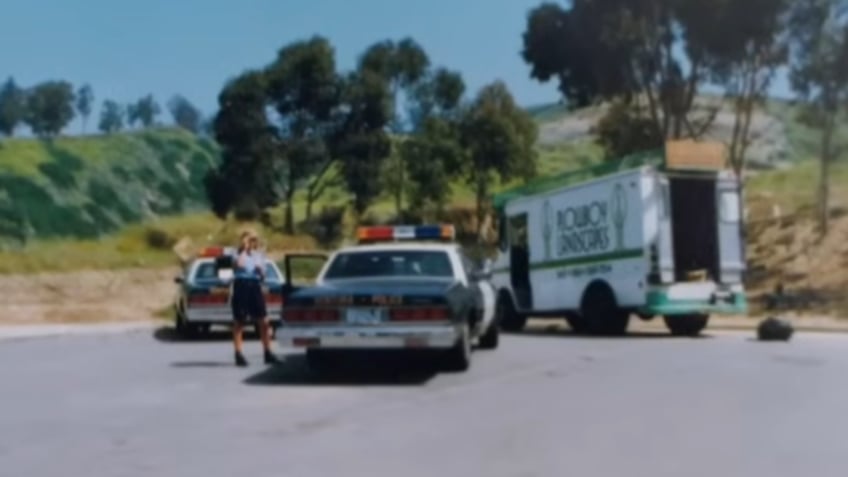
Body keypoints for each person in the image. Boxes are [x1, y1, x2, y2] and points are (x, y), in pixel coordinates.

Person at [230, 230, 279, 367]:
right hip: (241, 285)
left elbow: (263, 274)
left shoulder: (258, 256)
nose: (252, 243)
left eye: (253, 240)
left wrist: (260, 270)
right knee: (239, 321)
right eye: (249, 240)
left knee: (264, 320)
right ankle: (238, 354)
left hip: (255, 285)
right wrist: (243, 250)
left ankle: (267, 352)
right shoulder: (237, 253)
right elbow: (238, 265)